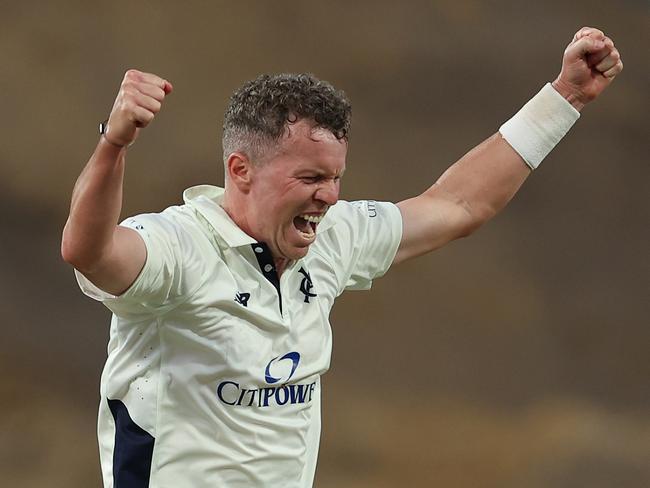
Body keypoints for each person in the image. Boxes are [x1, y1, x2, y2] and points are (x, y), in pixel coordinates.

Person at [62, 26, 622, 488]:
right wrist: (114, 143)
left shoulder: (332, 237)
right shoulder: (178, 248)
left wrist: (564, 97)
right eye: (309, 178)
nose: (328, 196)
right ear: (240, 170)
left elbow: (459, 204)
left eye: (334, 178)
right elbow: (89, 250)